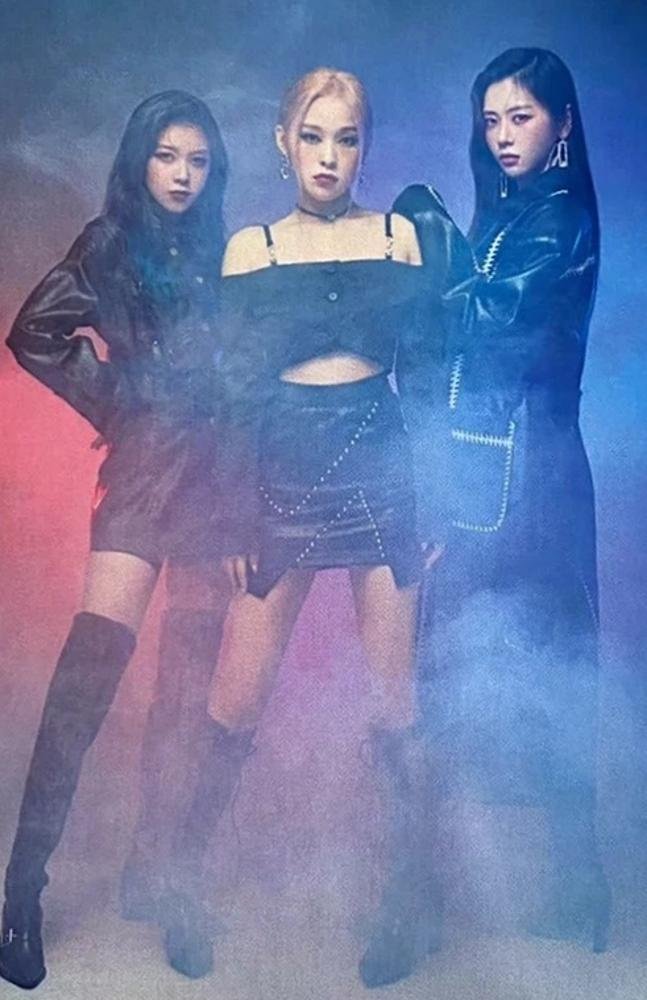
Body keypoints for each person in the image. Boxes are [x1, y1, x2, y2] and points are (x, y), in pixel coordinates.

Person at [156, 67, 448, 989]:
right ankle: (180, 888)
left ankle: (408, 902)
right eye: (312, 136)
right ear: (283, 141)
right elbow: (232, 399)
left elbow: (428, 378)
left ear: (365, 146)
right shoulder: (252, 248)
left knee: (397, 704)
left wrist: (435, 498)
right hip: (281, 469)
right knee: (235, 699)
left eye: (346, 138)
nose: (329, 157)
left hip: (382, 462)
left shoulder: (399, 237)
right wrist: (235, 509)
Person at [1, 90, 229, 990]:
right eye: (167, 156)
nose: (181, 175)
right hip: (142, 475)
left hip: (214, 482)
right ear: (140, 159)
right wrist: (121, 401)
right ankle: (21, 893)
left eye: (197, 160)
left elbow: (248, 384)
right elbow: (33, 332)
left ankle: (161, 878)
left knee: (188, 687)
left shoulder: (225, 250)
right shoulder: (108, 241)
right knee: (86, 680)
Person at [396, 47, 610, 952]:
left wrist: (424, 224)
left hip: (530, 489)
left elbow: (483, 325)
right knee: (464, 680)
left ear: (562, 122)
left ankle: (455, 898)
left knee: (531, 681)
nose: (502, 136)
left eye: (521, 116)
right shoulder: (511, 215)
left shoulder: (559, 221)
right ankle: (434, 894)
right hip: (491, 475)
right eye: (490, 120)